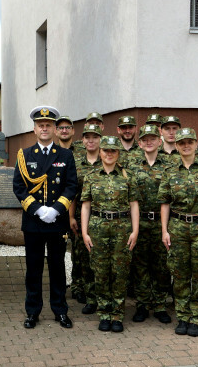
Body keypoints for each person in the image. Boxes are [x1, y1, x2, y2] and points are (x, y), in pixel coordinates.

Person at [13, 105, 77, 329]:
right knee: (33, 268)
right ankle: (32, 312)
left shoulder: (66, 155)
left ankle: (60, 310)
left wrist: (57, 210)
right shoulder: (25, 155)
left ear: (55, 129)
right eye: (41, 125)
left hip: (57, 222)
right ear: (34, 129)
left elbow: (71, 186)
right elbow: (19, 187)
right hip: (33, 222)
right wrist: (39, 210)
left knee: (58, 268)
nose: (45, 128)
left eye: (49, 125)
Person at [159, 128, 198, 337]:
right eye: (181, 142)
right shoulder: (169, 171)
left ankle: (197, 317)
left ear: (196, 143)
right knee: (180, 274)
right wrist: (164, 231)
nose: (186, 145)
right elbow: (165, 203)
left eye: (189, 142)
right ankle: (183, 316)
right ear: (176, 146)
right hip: (177, 227)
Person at [80, 135, 139, 332]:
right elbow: (85, 206)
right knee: (101, 271)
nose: (109, 154)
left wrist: (135, 230)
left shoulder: (127, 176)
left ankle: (117, 314)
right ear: (100, 152)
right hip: (98, 228)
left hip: (122, 228)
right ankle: (104, 313)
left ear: (118, 153)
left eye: (113, 151)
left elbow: (134, 205)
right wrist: (84, 232)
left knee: (120, 272)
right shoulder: (91, 176)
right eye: (106, 150)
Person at [125, 125, 172, 324]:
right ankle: (142, 304)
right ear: (140, 143)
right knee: (140, 265)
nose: (149, 141)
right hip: (140, 221)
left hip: (162, 222)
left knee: (162, 265)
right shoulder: (131, 166)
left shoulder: (169, 165)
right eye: (145, 139)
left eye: (153, 138)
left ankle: (160, 305)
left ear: (159, 141)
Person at [69, 124, 102, 310]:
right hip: (82, 215)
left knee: (101, 258)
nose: (91, 141)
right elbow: (72, 193)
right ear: (82, 140)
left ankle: (102, 294)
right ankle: (90, 297)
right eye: (87, 137)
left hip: (102, 217)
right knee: (83, 258)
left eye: (95, 137)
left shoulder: (107, 160)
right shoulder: (76, 163)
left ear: (100, 140)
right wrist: (71, 217)